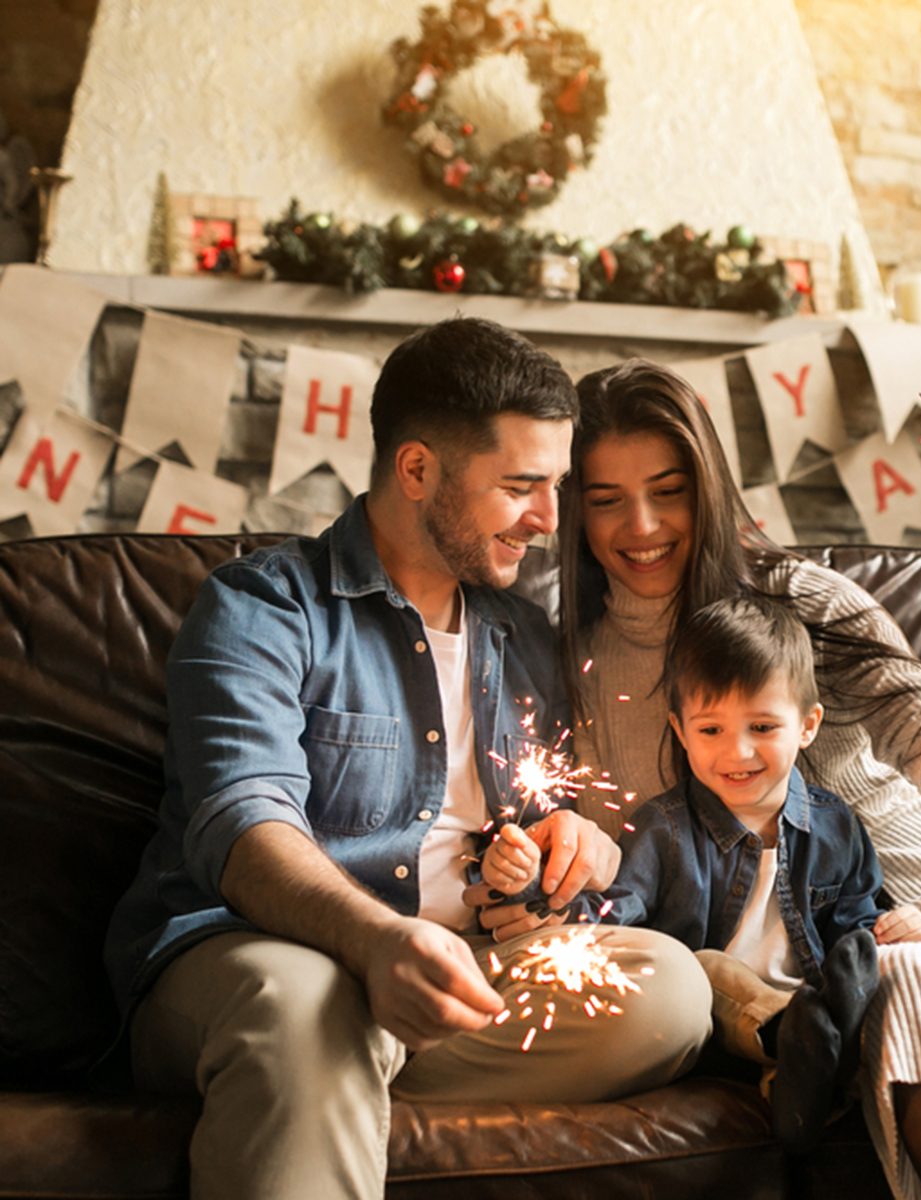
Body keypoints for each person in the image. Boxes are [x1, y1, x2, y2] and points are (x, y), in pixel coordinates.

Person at [102, 321, 712, 1200]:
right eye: (520, 487)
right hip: (257, 958)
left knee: (669, 990)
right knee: (303, 1006)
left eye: (556, 487)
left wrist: (572, 851)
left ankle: (340, 1075)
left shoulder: (525, 636)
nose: (550, 520)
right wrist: (378, 942)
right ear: (418, 470)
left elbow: (540, 822)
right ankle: (326, 1054)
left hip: (455, 973)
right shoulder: (265, 607)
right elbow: (241, 823)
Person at [552, 358, 921, 1200]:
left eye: (668, 490)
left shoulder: (804, 602)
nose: (641, 525)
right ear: (573, 510)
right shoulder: (578, 664)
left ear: (707, 488)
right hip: (852, 960)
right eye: (605, 500)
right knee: (891, 1002)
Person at [483, 593, 921, 1153]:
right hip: (713, 1027)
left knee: (879, 968)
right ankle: (790, 1040)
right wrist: (538, 891)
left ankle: (805, 1079)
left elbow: (856, 920)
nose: (737, 751)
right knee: (702, 968)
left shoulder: (836, 825)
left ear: (808, 725)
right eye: (711, 730)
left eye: (763, 726)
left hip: (814, 1013)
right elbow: (611, 917)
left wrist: (896, 927)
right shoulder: (663, 828)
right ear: (679, 728)